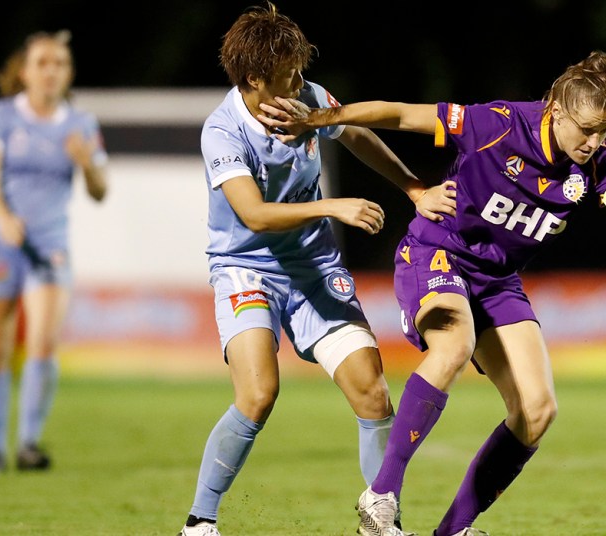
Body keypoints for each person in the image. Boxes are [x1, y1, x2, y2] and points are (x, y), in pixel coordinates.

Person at [260, 50, 606, 536]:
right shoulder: (500, 124)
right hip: (438, 251)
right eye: (588, 129)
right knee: (455, 343)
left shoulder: (596, 163)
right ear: (556, 108)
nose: (595, 143)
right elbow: (403, 114)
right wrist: (324, 118)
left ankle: (453, 531)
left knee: (537, 409)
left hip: (498, 280)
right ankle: (380, 495)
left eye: (605, 133)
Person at [176, 4, 456, 536]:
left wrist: (413, 189)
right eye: (289, 74)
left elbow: (355, 134)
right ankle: (200, 521)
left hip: (313, 268)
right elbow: (253, 214)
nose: (301, 81)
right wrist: (332, 206)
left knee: (372, 392)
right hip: (246, 268)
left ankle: (381, 522)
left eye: (302, 70)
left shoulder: (308, 98)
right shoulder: (223, 131)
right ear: (255, 79)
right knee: (258, 394)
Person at [0, 30, 108, 472]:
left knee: (43, 344)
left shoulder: (81, 124)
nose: (51, 71)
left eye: (60, 64)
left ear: (69, 72)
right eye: (43, 63)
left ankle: (28, 443)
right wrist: (4, 217)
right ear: (24, 71)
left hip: (50, 246)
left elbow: (100, 191)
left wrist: (86, 163)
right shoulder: (0, 116)